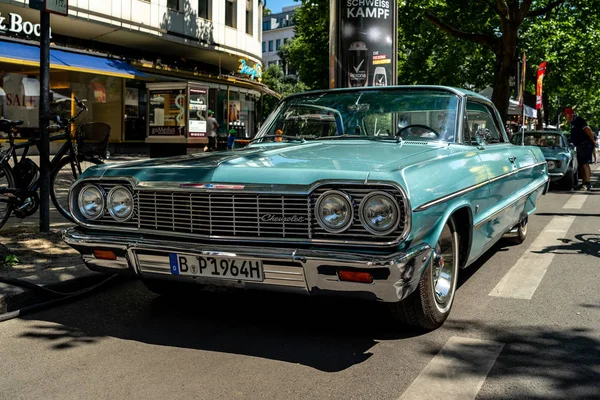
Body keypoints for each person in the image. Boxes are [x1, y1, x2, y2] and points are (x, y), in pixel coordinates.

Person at [564, 107, 595, 190]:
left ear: (570, 114)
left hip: (585, 144)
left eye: (566, 115)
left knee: (585, 164)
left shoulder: (579, 120)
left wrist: (593, 141)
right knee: (581, 164)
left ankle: (587, 183)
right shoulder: (573, 122)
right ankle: (584, 183)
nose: (565, 117)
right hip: (580, 145)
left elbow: (588, 129)